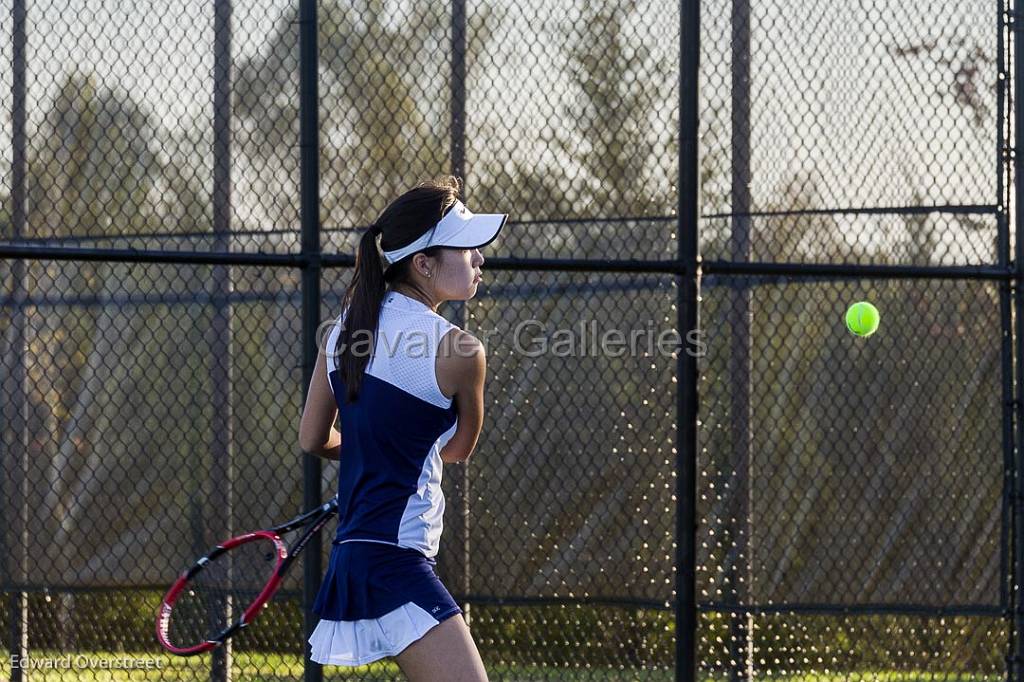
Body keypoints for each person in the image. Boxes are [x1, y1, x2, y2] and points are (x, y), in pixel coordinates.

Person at [298, 176, 505, 681]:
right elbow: (457, 449)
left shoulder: (342, 332)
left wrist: (373, 453)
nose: (479, 258)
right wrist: (389, 453)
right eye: (465, 247)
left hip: (356, 555)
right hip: (396, 563)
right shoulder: (462, 351)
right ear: (423, 263)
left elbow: (313, 439)